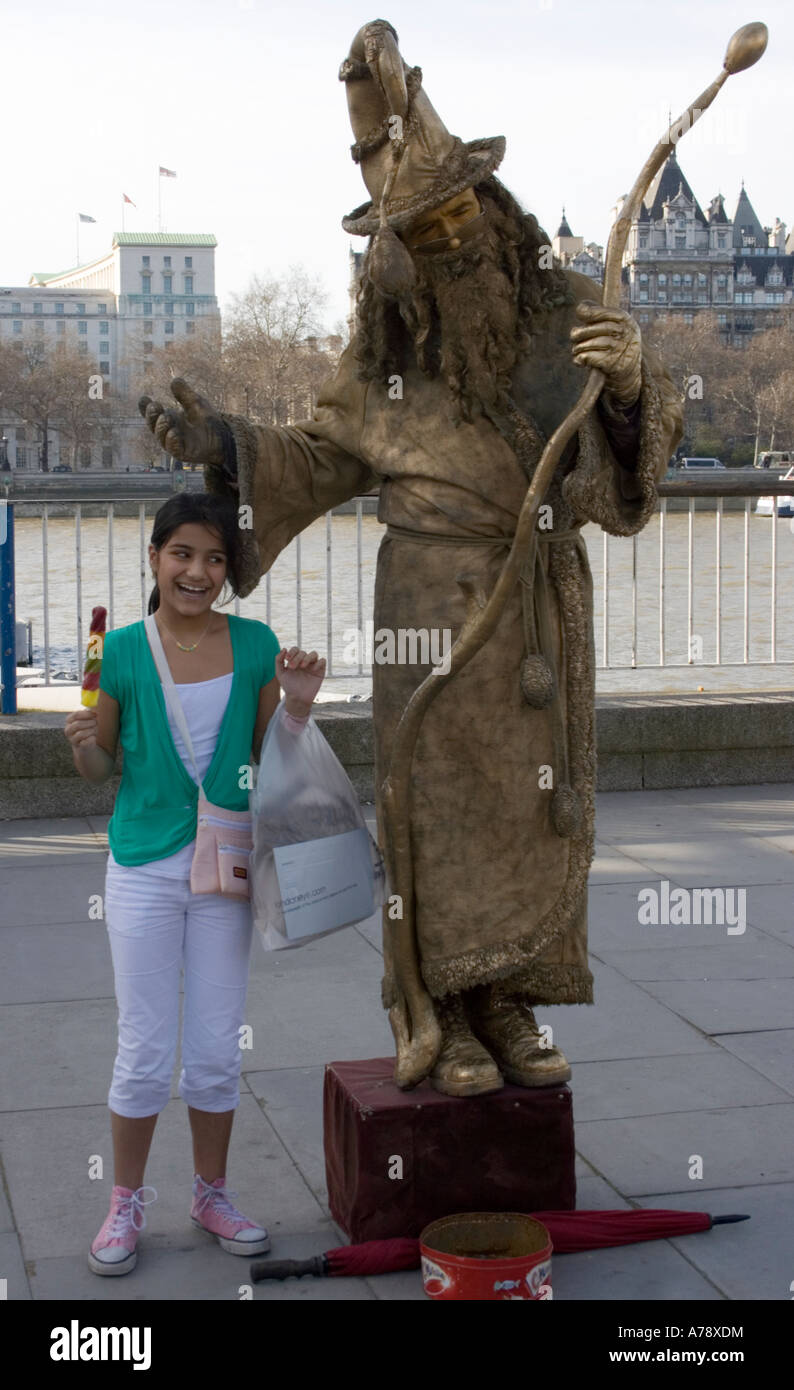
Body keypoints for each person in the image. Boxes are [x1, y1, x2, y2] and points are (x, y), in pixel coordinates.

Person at [138, 20, 683, 1098]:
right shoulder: (387, 361)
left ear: (497, 220)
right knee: (430, 804)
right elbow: (318, 455)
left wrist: (627, 385)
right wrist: (222, 444)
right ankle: (439, 1002)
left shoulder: (568, 321)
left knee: (532, 806)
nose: (449, 256)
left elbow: (619, 484)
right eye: (424, 245)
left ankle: (510, 1000)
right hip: (426, 608)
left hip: (529, 610)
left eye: (459, 230)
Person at [64, 490, 326, 1276]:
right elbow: (102, 767)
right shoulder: (120, 653)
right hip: (144, 863)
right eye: (183, 554)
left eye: (215, 559)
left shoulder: (255, 645)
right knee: (144, 1047)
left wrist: (300, 708)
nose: (199, 571)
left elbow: (275, 757)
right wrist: (81, 743)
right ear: (155, 558)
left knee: (215, 1045)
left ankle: (211, 1192)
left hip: (228, 860)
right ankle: (125, 1202)